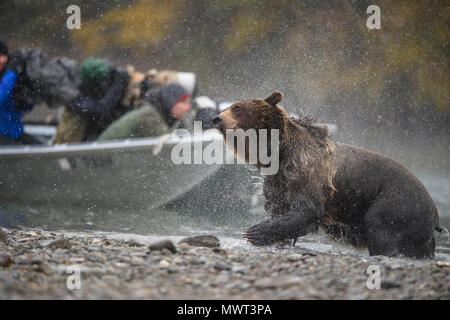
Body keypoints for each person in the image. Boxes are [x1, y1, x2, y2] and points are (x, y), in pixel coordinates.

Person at [53, 57, 129, 143]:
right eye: (102, 81)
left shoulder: (96, 74)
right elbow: (99, 109)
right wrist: (118, 84)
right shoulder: (73, 93)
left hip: (97, 128)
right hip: (77, 139)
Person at [98, 82, 192, 140]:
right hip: (101, 159)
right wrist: (185, 123)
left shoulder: (161, 114)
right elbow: (167, 145)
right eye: (183, 102)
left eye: (189, 103)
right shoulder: (149, 115)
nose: (188, 107)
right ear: (169, 102)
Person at [0, 39, 40, 145]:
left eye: (3, 55)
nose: (2, 59)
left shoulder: (9, 78)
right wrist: (12, 72)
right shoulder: (9, 77)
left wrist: (29, 91)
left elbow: (24, 108)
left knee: (45, 152)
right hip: (3, 137)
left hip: (15, 133)